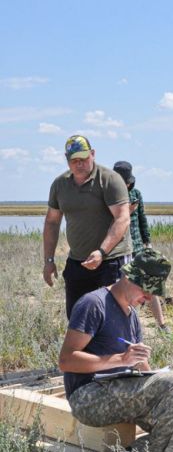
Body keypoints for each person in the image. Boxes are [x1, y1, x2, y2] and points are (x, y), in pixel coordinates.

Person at [58, 248, 173, 452]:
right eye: (146, 290)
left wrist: (151, 377)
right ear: (128, 278)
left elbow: (142, 369)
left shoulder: (133, 316)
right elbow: (66, 360)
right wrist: (121, 360)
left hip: (122, 394)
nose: (149, 298)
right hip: (88, 397)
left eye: (153, 293)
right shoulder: (93, 304)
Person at [43, 135, 132, 318]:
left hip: (111, 261)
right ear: (67, 160)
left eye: (83, 158)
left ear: (92, 154)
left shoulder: (109, 180)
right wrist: (49, 261)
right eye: (74, 160)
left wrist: (101, 251)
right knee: (78, 317)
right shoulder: (60, 185)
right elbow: (52, 222)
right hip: (78, 261)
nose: (79, 164)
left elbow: (122, 218)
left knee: (112, 318)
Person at [113, 160, 168, 331]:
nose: (128, 184)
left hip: (137, 247)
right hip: (120, 250)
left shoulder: (136, 194)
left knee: (149, 285)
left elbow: (143, 220)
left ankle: (162, 324)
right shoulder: (110, 196)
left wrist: (148, 243)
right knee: (127, 288)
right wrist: (125, 212)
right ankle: (130, 326)